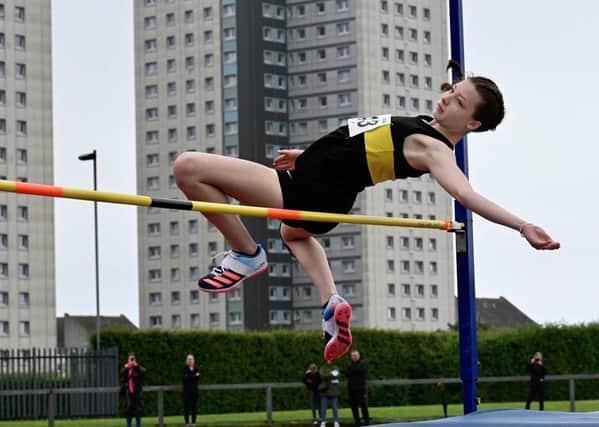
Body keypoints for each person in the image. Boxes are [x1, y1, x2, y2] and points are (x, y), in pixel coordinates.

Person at [174, 70, 560, 362]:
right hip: (317, 187)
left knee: (189, 168)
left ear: (473, 124)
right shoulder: (424, 124)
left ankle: (245, 253)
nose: (446, 99)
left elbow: (465, 193)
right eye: (451, 91)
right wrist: (308, 156)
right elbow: (360, 146)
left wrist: (522, 225)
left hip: (308, 190)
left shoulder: (433, 148)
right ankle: (331, 303)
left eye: (459, 102)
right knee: (293, 234)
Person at [345, 350, 370, 426]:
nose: (354, 357)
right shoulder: (349, 365)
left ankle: (366, 421)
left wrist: (353, 372)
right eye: (353, 356)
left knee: (363, 406)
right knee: (354, 406)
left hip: (361, 389)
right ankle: (357, 421)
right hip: (352, 389)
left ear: (359, 356)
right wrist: (354, 372)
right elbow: (347, 374)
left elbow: (362, 373)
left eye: (355, 355)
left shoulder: (363, 364)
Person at [120, 353, 145, 427]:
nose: (131, 361)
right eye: (130, 359)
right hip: (128, 396)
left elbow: (143, 372)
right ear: (127, 360)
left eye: (133, 359)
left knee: (138, 418)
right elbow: (122, 374)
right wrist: (127, 367)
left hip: (137, 396)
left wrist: (136, 365)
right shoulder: (125, 369)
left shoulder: (138, 369)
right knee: (129, 418)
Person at [318, 360, 341, 427]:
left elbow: (337, 375)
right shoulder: (322, 368)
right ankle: (323, 421)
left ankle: (336, 421)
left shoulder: (335, 367)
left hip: (334, 390)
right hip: (324, 391)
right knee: (323, 408)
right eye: (328, 359)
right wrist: (331, 374)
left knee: (335, 407)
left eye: (330, 359)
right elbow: (322, 375)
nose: (329, 361)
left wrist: (328, 375)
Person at [182, 353, 201, 427]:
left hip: (194, 391)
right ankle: (187, 423)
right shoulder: (184, 368)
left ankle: (193, 423)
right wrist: (194, 376)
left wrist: (190, 377)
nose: (190, 361)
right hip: (186, 391)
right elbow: (185, 378)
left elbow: (198, 378)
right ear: (186, 360)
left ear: (194, 360)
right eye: (189, 359)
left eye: (191, 359)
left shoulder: (196, 368)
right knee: (186, 407)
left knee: (194, 407)